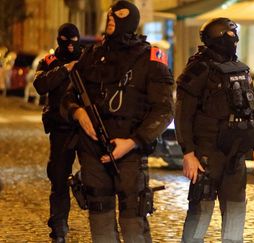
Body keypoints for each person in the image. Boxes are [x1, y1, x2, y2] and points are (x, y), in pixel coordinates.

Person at [61, 1, 174, 242]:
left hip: (129, 153)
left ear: (132, 20)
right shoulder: (92, 55)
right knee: (100, 222)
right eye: (110, 13)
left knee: (133, 223)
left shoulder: (150, 59)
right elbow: (68, 97)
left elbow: (164, 111)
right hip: (92, 152)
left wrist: (133, 142)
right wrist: (78, 113)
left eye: (119, 14)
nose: (112, 17)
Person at [175, 17, 254, 243]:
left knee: (236, 214)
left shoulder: (240, 69)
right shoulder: (198, 69)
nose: (234, 40)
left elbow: (250, 110)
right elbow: (183, 115)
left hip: (234, 156)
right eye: (230, 35)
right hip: (206, 155)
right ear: (218, 37)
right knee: (200, 214)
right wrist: (188, 153)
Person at [33, 23, 82, 242]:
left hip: (85, 126)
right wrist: (65, 70)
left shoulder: (87, 59)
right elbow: (40, 85)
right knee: (59, 177)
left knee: (97, 175)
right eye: (66, 41)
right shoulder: (49, 61)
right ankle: (59, 225)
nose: (71, 46)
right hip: (61, 128)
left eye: (74, 41)